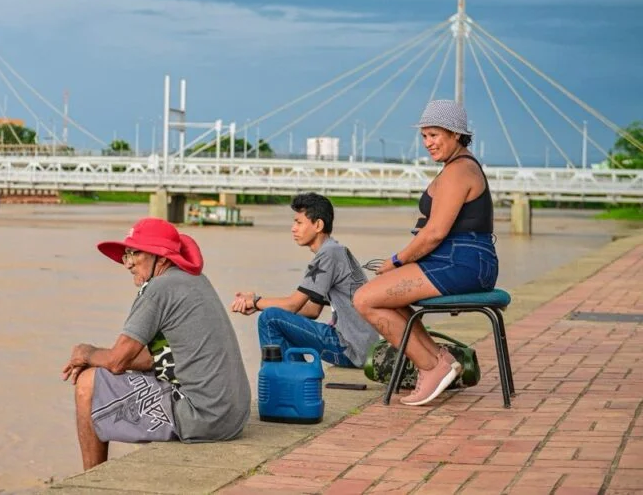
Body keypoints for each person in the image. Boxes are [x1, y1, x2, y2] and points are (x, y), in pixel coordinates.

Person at [60, 217, 251, 470]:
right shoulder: (193, 280)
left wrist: (86, 353)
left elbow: (118, 362)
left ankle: (91, 479)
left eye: (134, 254)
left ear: (160, 258)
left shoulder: (159, 288)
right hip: (232, 417)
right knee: (130, 375)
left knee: (88, 382)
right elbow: (152, 359)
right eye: (126, 254)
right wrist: (104, 358)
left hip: (202, 417)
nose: (127, 263)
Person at [354, 99, 499, 406]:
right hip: (459, 259)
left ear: (456, 134)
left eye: (435, 135)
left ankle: (432, 366)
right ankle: (439, 360)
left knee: (364, 299)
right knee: (384, 299)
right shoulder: (456, 166)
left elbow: (435, 233)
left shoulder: (458, 170)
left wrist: (396, 261)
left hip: (461, 261)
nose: (428, 143)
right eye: (424, 136)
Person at [230, 193, 380, 369]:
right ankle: (296, 378)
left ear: (318, 225)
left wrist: (256, 301)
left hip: (351, 348)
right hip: (360, 347)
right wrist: (257, 305)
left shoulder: (329, 254)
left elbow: (293, 305)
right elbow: (312, 310)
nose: (293, 228)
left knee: (270, 318)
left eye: (299, 223)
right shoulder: (335, 250)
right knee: (277, 318)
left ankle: (286, 381)